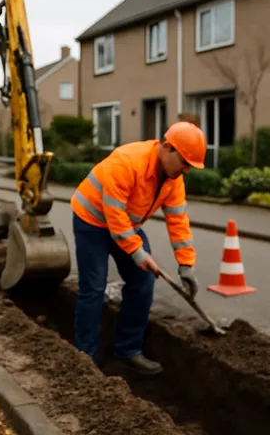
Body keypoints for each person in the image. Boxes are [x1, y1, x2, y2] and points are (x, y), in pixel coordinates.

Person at [70, 121, 206, 375]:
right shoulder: (127, 162)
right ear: (167, 148)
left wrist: (186, 264)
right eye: (185, 163)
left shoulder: (173, 179)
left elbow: (178, 221)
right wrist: (137, 251)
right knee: (94, 288)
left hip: (126, 226)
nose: (187, 170)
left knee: (143, 282)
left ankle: (128, 350)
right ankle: (85, 358)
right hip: (92, 221)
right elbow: (115, 216)